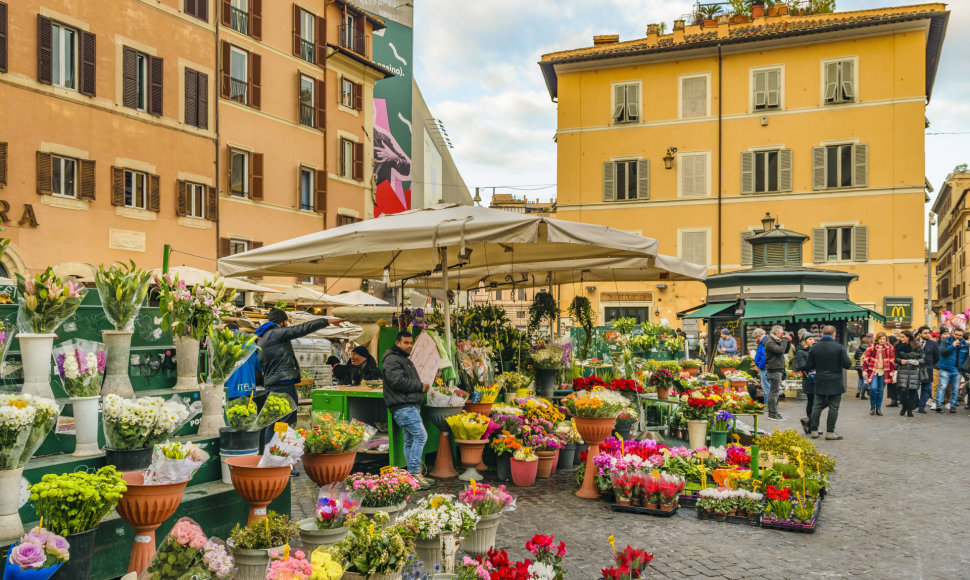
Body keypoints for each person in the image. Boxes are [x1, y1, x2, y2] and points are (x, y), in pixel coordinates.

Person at [256, 308, 346, 413]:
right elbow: (302, 328)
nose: (287, 325)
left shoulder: (261, 338)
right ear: (281, 322)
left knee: (277, 417)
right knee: (285, 418)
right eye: (286, 321)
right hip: (283, 384)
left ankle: (276, 430)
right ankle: (279, 430)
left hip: (272, 384)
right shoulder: (277, 333)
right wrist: (326, 321)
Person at [382, 331, 433, 489]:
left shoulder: (402, 359)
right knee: (421, 436)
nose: (409, 346)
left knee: (410, 440)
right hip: (403, 406)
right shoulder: (392, 360)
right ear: (398, 343)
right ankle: (414, 474)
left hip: (408, 405)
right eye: (406, 342)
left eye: (411, 343)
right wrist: (420, 386)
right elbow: (396, 381)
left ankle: (413, 476)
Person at [805, 325, 852, 439]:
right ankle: (830, 432)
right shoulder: (839, 348)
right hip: (835, 381)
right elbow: (847, 364)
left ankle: (814, 430)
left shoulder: (815, 348)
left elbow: (808, 365)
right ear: (834, 334)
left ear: (822, 334)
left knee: (817, 406)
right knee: (833, 407)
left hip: (820, 380)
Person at [861, 332, 895, 416]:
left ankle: (878, 408)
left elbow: (892, 360)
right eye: (880, 339)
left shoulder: (890, 347)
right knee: (873, 388)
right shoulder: (872, 346)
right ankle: (872, 406)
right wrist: (864, 370)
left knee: (880, 390)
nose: (882, 340)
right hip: (873, 370)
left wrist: (892, 371)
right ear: (877, 339)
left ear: (886, 339)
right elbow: (866, 358)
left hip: (884, 371)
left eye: (884, 339)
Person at [224, 322, 261, 399]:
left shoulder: (223, 343)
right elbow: (258, 366)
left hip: (230, 390)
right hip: (249, 388)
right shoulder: (251, 343)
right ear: (238, 329)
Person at [763, 325, 793, 420]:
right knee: (774, 393)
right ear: (777, 333)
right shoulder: (770, 341)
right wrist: (785, 339)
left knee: (774, 392)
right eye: (782, 333)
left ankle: (773, 413)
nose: (783, 335)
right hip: (774, 369)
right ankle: (773, 414)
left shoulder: (776, 340)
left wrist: (788, 341)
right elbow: (780, 350)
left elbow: (785, 351)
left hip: (778, 369)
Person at [936, 327, 967, 413]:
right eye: (956, 334)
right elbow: (943, 352)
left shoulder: (965, 344)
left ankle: (953, 406)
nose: (958, 336)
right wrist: (952, 346)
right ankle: (938, 404)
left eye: (960, 335)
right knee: (942, 386)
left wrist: (963, 368)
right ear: (953, 333)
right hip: (945, 368)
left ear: (962, 335)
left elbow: (966, 358)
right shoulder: (946, 341)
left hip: (957, 369)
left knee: (956, 389)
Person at [894, 330, 924, 418]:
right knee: (902, 391)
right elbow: (894, 358)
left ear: (908, 337)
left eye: (903, 337)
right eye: (900, 336)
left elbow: (923, 358)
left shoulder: (917, 346)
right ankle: (904, 407)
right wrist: (900, 361)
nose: (901, 338)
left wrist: (917, 362)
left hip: (914, 371)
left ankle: (909, 410)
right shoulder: (898, 345)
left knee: (912, 391)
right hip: (902, 371)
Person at [794, 330, 816, 434]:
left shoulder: (814, 350)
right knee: (811, 401)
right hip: (809, 379)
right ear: (805, 341)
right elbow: (800, 366)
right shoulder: (800, 352)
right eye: (810, 339)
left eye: (813, 339)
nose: (813, 341)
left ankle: (810, 422)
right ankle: (812, 424)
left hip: (817, 379)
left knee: (819, 402)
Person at [917, 326, 939, 413]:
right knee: (914, 387)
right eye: (925, 333)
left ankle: (921, 406)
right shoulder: (914, 343)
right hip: (916, 368)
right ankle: (916, 402)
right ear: (919, 334)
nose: (927, 334)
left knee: (926, 388)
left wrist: (930, 364)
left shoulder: (933, 344)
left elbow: (937, 357)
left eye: (928, 333)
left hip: (928, 368)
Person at [752, 328, 769, 405]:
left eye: (756, 337)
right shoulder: (765, 341)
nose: (756, 339)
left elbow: (764, 356)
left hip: (764, 368)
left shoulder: (764, 342)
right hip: (765, 367)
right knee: (767, 386)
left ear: (758, 335)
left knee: (766, 387)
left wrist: (760, 365)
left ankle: (767, 405)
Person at [853, 334, 872, 400]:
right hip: (865, 366)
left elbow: (855, 357)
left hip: (858, 366)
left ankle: (858, 391)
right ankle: (863, 394)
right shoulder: (869, 349)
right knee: (865, 380)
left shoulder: (858, 348)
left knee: (860, 379)